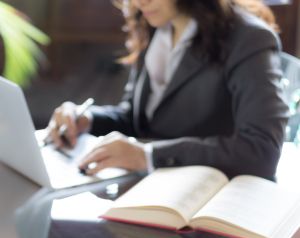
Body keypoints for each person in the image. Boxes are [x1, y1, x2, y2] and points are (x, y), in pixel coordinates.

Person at [47, 0, 288, 180]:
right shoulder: (157, 24)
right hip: (152, 190)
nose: (139, 2)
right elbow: (138, 119)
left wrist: (148, 155)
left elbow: (261, 151)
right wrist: (88, 119)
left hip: (208, 205)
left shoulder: (249, 38)